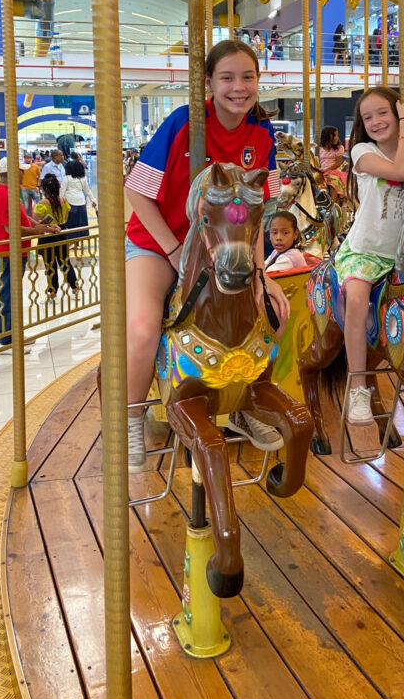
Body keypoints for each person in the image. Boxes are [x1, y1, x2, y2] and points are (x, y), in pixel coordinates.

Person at [123, 39, 290, 470]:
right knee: (142, 328)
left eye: (248, 77)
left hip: (224, 249)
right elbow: (137, 192)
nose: (239, 87)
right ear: (210, 83)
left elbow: (257, 212)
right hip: (159, 243)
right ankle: (131, 417)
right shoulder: (184, 124)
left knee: (272, 312)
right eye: (228, 78)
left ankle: (242, 404)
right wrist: (176, 252)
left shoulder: (262, 134)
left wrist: (260, 273)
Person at [335, 86, 404, 423]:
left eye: (382, 112)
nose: (375, 122)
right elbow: (402, 172)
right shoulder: (362, 152)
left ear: (397, 111)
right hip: (367, 251)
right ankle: (358, 387)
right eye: (367, 117)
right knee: (357, 300)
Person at [0, 157, 60, 352]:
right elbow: (11, 228)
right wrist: (37, 231)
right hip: (8, 252)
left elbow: (22, 216)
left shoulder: (11, 192)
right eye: (21, 170)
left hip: (16, 251)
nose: (24, 173)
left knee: (12, 293)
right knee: (8, 294)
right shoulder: (3, 195)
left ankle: (12, 333)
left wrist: (39, 226)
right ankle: (6, 339)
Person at [34, 175, 77, 298]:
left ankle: (53, 292)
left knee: (50, 264)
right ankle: (74, 287)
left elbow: (37, 223)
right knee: (65, 262)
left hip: (47, 235)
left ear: (45, 189)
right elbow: (65, 219)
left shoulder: (42, 204)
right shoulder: (64, 201)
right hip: (62, 233)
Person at [60, 157, 97, 239]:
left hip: (70, 202)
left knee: (70, 222)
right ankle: (79, 241)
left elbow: (62, 192)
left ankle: (71, 240)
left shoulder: (67, 178)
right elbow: (88, 190)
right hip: (81, 201)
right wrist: (93, 200)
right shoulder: (83, 178)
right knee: (81, 223)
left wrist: (60, 203)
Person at [318, 125, 347, 197]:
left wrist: (326, 170)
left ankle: (333, 204)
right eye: (334, 135)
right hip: (322, 171)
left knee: (332, 184)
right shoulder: (320, 148)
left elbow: (338, 163)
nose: (337, 138)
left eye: (337, 135)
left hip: (333, 171)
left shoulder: (339, 148)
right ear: (327, 137)